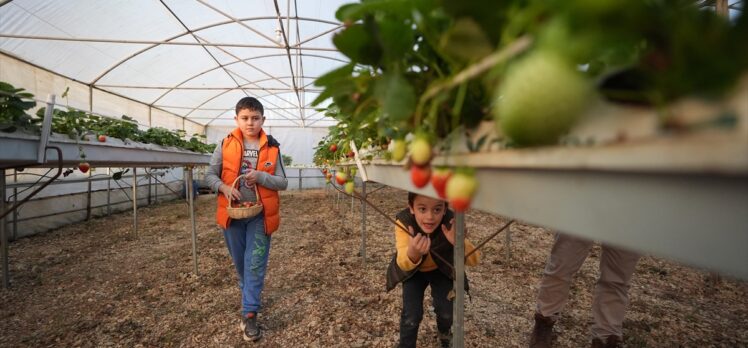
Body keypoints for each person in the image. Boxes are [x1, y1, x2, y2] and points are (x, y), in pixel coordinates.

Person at [205, 96, 288, 342]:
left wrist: (261, 176)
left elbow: (282, 182)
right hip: (232, 215)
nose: (250, 123)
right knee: (241, 265)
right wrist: (224, 188)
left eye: (255, 118)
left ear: (263, 119)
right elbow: (209, 175)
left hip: (260, 215)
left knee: (255, 263)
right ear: (236, 119)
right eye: (245, 118)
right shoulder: (225, 144)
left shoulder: (272, 147)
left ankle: (249, 313)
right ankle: (248, 295)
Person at [386, 192, 481, 348]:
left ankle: (444, 333)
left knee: (446, 312)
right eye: (422, 209)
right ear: (411, 207)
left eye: (437, 210)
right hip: (414, 271)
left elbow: (474, 259)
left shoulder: (452, 221)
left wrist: (459, 242)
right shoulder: (404, 222)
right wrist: (413, 253)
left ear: (445, 209)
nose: (430, 217)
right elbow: (402, 262)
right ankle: (406, 344)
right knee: (411, 315)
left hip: (441, 268)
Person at [529, 233, 641, 348]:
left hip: (629, 219)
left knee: (617, 280)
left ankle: (606, 339)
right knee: (561, 265)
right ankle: (544, 320)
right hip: (584, 215)